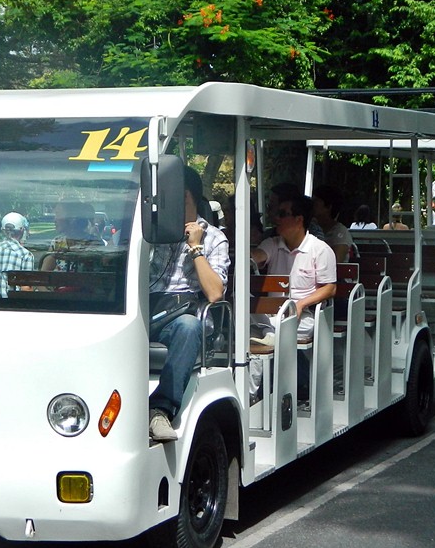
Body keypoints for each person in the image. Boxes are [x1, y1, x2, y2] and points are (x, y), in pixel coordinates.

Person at [148, 167, 230, 442]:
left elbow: (215, 293)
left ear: (184, 196)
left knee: (188, 327)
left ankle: (160, 409)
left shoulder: (214, 238)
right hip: (146, 309)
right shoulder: (149, 233)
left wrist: (196, 248)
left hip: (182, 314)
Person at [251, 194, 337, 404]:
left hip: (303, 318)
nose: (276, 219)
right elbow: (258, 256)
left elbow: (330, 288)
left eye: (282, 214)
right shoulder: (272, 244)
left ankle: (250, 397)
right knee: (244, 324)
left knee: (256, 344)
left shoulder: (320, 250)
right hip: (270, 317)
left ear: (299, 219)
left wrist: (301, 303)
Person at [41, 201, 102, 273]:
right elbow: (44, 276)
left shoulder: (94, 243)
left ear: (72, 218)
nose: (55, 219)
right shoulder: (57, 242)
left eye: (58, 214)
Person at [0, 211, 35, 296]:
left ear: (3, 230)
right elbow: (26, 289)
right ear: (22, 230)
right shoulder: (26, 255)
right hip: (10, 306)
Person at [312, 186, 353, 263]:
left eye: (316, 202)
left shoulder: (340, 232)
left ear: (328, 207)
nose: (312, 205)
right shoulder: (311, 227)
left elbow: (335, 261)